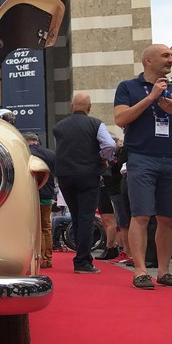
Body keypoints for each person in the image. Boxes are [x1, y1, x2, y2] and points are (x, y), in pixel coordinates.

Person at [114, 43, 172, 289]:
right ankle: (141, 271)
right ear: (149, 61)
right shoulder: (128, 87)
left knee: (168, 218)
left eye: (171, 56)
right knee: (141, 214)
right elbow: (120, 118)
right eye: (165, 55)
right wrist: (151, 97)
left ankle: (164, 271)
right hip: (141, 157)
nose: (170, 59)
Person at [53, 93, 116, 274]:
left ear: (72, 107)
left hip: (65, 175)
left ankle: (81, 258)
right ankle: (82, 261)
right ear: (89, 108)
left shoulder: (59, 126)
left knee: (76, 215)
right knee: (86, 217)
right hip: (88, 174)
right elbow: (110, 144)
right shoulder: (96, 124)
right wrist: (104, 158)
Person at [24, 132, 55, 268]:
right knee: (46, 227)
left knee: (31, 228)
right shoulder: (50, 154)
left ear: (27, 141)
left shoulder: (25, 153)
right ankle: (47, 258)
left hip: (29, 195)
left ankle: (36, 257)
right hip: (47, 194)